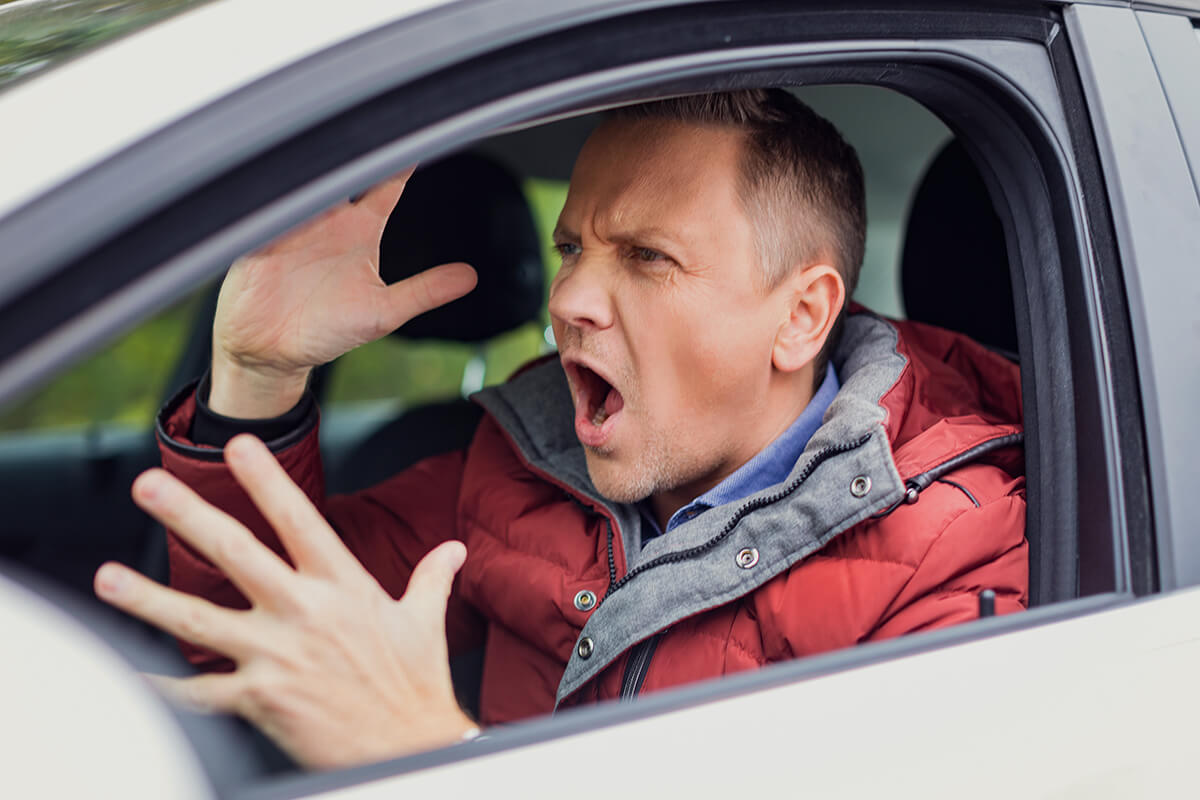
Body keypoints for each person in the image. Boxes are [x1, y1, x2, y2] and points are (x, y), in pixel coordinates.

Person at [93, 89, 1027, 770]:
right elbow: (266, 646)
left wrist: (438, 757)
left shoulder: (956, 555)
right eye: (573, 248)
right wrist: (258, 375)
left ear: (800, 317)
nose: (570, 297)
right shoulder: (524, 457)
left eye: (648, 257)